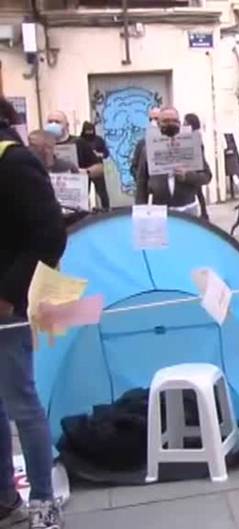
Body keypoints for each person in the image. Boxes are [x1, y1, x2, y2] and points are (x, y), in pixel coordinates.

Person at [0, 97, 67, 529]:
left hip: (6, 308)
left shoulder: (14, 161)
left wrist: (8, 294)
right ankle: (6, 500)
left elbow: (49, 235)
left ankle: (43, 501)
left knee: (21, 402)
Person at [134, 107, 212, 215]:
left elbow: (207, 176)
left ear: (180, 123)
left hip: (188, 210)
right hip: (160, 211)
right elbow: (141, 183)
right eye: (165, 121)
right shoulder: (147, 148)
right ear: (158, 124)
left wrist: (187, 176)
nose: (170, 124)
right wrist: (140, 213)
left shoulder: (192, 145)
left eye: (174, 121)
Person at [46, 110, 108, 210]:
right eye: (50, 121)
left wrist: (85, 172)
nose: (53, 124)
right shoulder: (41, 145)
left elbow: (99, 168)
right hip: (50, 206)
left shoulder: (79, 143)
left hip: (76, 203)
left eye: (57, 122)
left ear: (66, 125)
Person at [183, 113, 211, 220]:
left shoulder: (195, 135)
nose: (183, 123)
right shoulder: (193, 134)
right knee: (199, 191)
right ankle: (204, 213)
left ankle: (204, 213)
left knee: (198, 190)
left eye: (185, 121)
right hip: (195, 163)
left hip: (197, 164)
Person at [131, 107, 161, 186]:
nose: (154, 122)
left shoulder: (172, 142)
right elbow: (134, 167)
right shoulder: (142, 143)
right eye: (151, 119)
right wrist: (142, 181)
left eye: (156, 119)